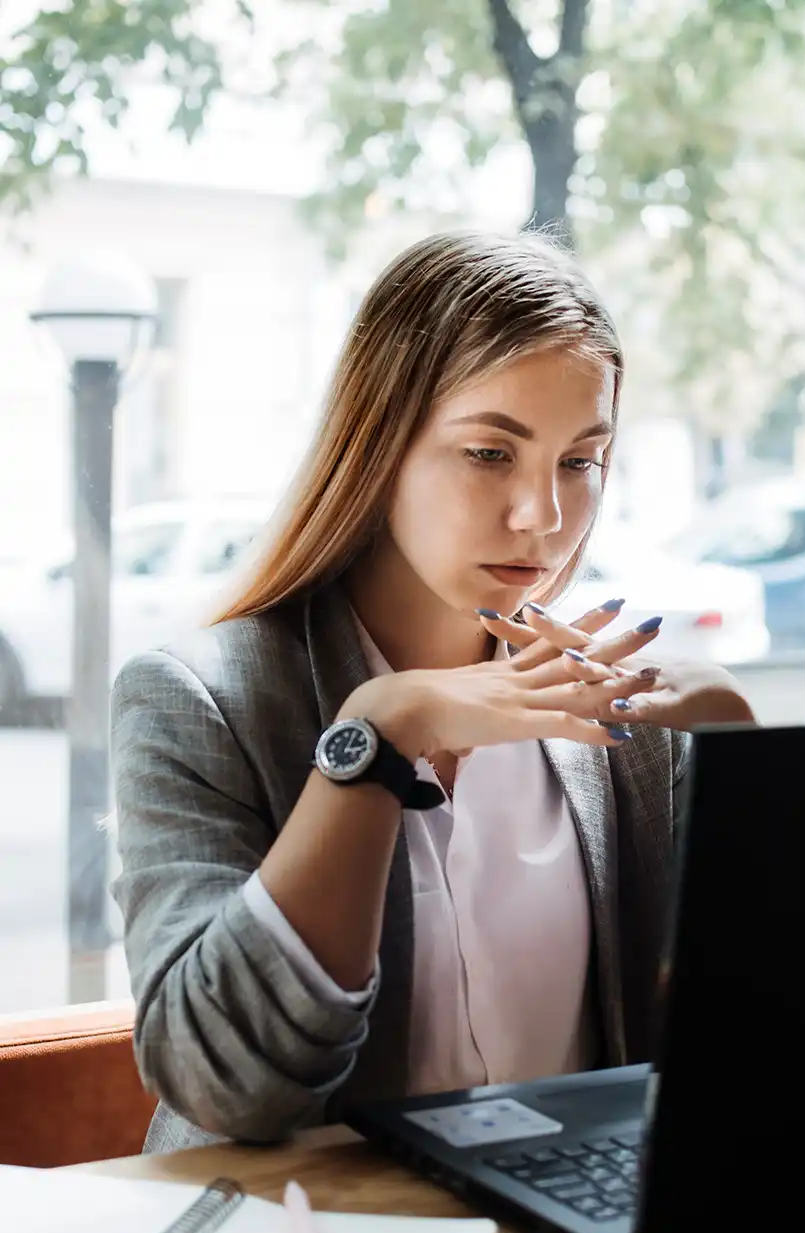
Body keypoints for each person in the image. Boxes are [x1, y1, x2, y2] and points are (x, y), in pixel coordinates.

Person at [110, 230, 754, 1154]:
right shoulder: (197, 701)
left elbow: (747, 1046)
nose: (544, 518)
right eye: (491, 453)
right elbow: (227, 1086)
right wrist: (379, 731)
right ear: (379, 447)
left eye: (580, 462)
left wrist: (742, 759)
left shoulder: (621, 721)